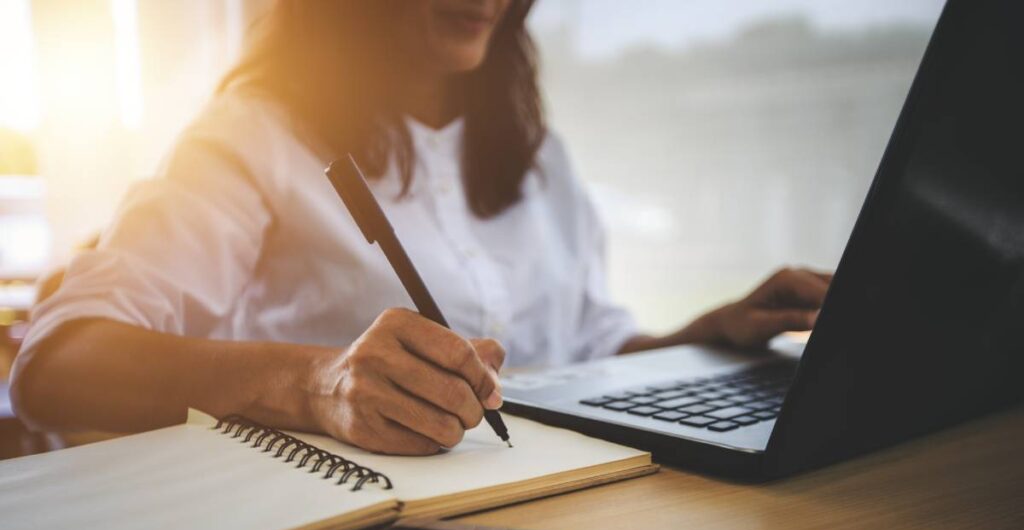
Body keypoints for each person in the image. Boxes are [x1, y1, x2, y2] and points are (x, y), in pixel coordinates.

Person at [10, 0, 831, 455]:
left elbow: (581, 346)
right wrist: (317, 384)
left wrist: (712, 332)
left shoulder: (538, 156)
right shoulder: (250, 136)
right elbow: (54, 364)